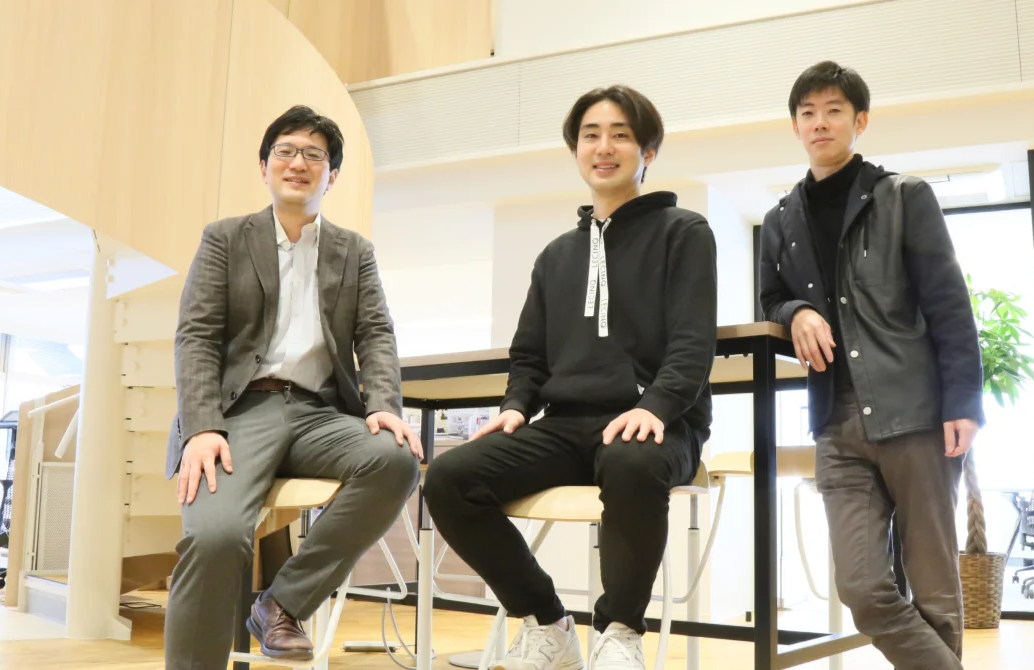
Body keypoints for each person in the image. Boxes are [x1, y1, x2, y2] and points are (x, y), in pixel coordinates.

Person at [423, 85, 718, 670]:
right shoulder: (556, 255)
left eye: (620, 135)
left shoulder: (684, 232)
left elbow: (692, 344)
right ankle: (547, 622)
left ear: (647, 153)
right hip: (564, 425)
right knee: (450, 479)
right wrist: (515, 406)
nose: (604, 147)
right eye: (591, 136)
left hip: (659, 424)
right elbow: (529, 354)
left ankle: (620, 633)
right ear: (576, 150)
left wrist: (654, 407)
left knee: (631, 462)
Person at [164, 105, 422, 669]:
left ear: (332, 174)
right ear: (264, 167)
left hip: (318, 413)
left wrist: (383, 404)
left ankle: (282, 602)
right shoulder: (225, 238)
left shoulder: (354, 251)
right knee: (215, 539)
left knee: (395, 460)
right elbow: (196, 337)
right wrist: (202, 426)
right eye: (285, 151)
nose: (298, 163)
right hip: (238, 414)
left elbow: (376, 333)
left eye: (314, 155)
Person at [757, 61, 983, 670]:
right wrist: (797, 310)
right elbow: (769, 298)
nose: (819, 123)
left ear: (859, 122)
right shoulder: (780, 220)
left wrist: (964, 401)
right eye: (807, 113)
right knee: (860, 587)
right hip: (835, 422)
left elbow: (948, 302)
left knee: (934, 588)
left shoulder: (903, 197)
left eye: (833, 111)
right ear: (795, 126)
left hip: (915, 411)